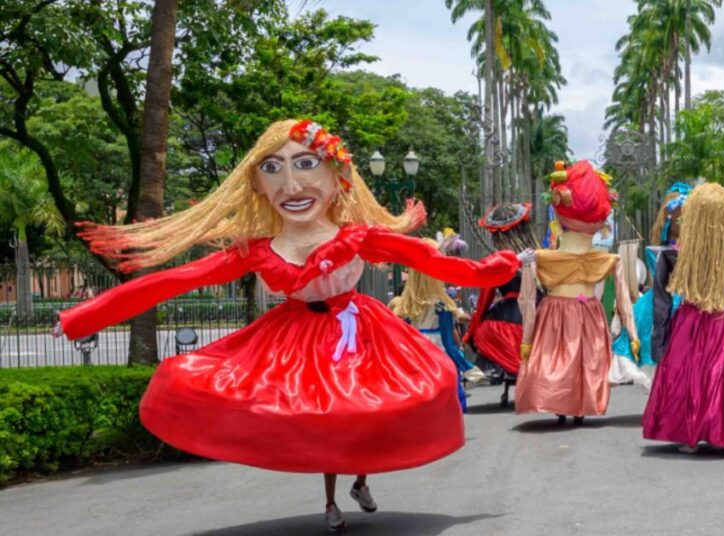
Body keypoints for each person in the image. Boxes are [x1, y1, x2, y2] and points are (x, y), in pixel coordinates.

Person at [55, 119, 520, 532]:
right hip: (295, 338)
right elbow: (170, 282)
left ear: (337, 176)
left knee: (374, 408)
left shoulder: (359, 237)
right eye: (273, 169)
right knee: (323, 420)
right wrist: (80, 318)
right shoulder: (258, 249)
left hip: (358, 331)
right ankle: (332, 499)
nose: (292, 183)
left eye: (306, 163)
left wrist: (501, 266)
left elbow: (440, 264)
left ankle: (360, 481)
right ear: (257, 184)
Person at [516, 161, 639, 425]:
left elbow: (526, 299)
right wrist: (632, 334)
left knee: (561, 358)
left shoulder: (539, 258)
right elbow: (624, 299)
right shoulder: (608, 259)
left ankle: (565, 405)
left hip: (558, 311)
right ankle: (577, 406)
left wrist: (527, 338)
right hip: (587, 312)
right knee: (585, 359)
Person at [643, 183, 724, 453]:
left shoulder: (674, 254)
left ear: (691, 215)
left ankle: (690, 435)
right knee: (721, 378)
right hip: (723, 324)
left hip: (689, 322)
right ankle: (723, 431)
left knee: (690, 376)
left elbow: (660, 302)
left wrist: (659, 343)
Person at [390, 238, 489, 412]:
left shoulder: (404, 305)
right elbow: (449, 344)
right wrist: (468, 368)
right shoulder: (440, 304)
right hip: (436, 353)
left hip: (413, 352)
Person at [463, 202, 542, 406]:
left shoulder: (498, 261)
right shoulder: (540, 255)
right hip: (537, 313)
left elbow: (484, 300)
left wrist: (471, 330)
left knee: (485, 331)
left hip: (505, 317)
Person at [611, 182, 690, 381]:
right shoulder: (659, 249)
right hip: (666, 297)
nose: (681, 219)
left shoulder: (697, 245)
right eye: (678, 214)